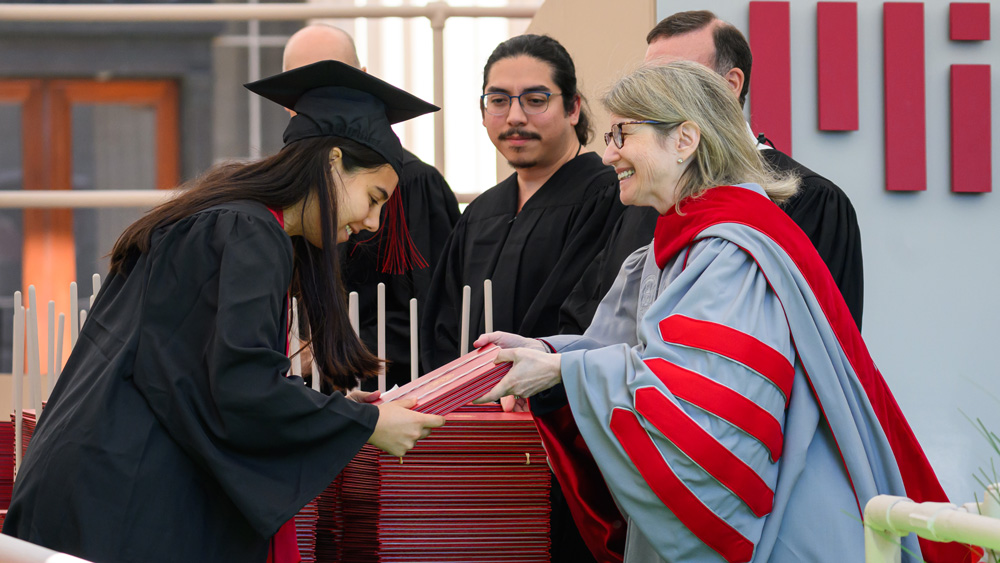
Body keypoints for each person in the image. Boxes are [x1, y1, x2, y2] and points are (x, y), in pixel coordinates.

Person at [476, 62, 973, 563]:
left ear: (685, 139)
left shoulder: (733, 252)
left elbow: (712, 409)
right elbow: (622, 353)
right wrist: (543, 355)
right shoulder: (673, 246)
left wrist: (565, 369)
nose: (607, 155)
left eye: (623, 133)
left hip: (784, 521)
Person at [2, 61, 446, 563]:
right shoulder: (246, 233)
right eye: (373, 198)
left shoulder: (227, 220)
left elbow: (197, 375)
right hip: (122, 497)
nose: (372, 222)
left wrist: (337, 411)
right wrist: (366, 426)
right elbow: (238, 386)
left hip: (95, 478)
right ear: (331, 162)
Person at [559, 10, 864, 336]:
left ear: (730, 85)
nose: (647, 94)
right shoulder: (641, 200)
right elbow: (585, 322)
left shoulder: (806, 199)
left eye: (673, 79)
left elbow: (805, 347)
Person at [420, 34, 624, 372]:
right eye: (498, 100)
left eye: (535, 99)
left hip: (558, 408)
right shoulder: (479, 214)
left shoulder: (608, 197)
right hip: (472, 411)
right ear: (483, 112)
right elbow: (444, 326)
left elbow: (594, 318)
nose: (515, 116)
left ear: (573, 108)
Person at [284, 25, 460, 389]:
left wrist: (330, 352)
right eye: (303, 90)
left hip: (385, 389)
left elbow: (430, 313)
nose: (372, 220)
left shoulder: (412, 185)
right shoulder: (277, 196)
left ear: (363, 80)